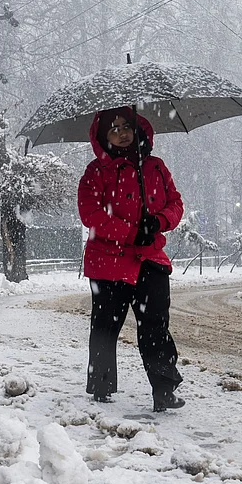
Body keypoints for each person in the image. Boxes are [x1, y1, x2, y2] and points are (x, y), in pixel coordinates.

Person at [77, 107, 186, 412]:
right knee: (105, 327)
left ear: (137, 128)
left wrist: (159, 221)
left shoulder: (155, 167)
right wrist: (130, 232)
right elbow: (91, 214)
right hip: (108, 262)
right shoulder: (95, 172)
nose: (122, 133)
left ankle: (163, 389)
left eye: (126, 126)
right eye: (114, 129)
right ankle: (101, 385)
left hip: (150, 259)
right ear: (103, 136)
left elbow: (176, 203)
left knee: (155, 327)